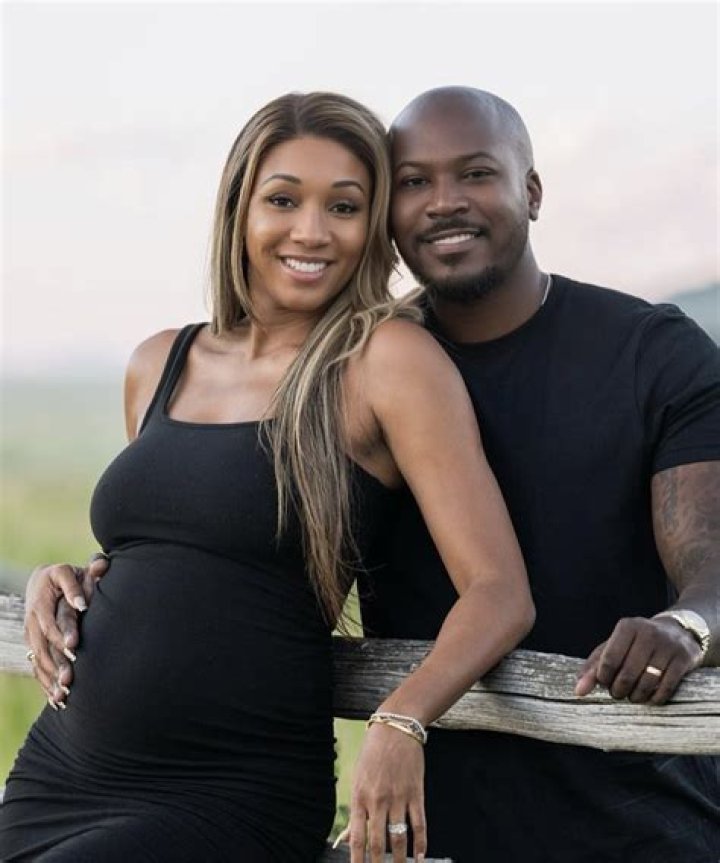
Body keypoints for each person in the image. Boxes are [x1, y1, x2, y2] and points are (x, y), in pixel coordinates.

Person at [20, 85, 720, 861]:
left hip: (239, 789)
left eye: (345, 206)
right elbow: (185, 548)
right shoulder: (166, 360)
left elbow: (518, 589)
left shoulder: (399, 360)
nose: (311, 230)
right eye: (283, 199)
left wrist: (400, 717)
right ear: (240, 208)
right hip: (77, 769)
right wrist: (73, 580)